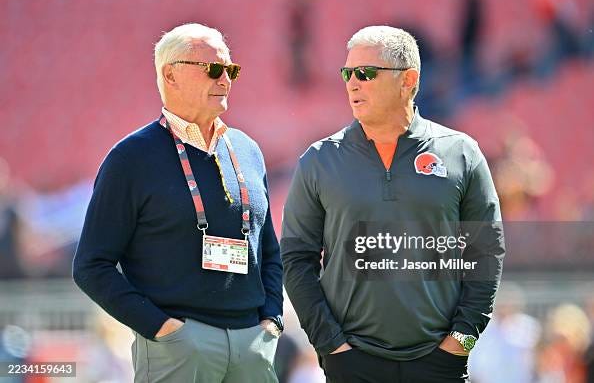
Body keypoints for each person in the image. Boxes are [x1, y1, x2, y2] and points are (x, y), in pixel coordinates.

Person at [281, 25, 505, 383]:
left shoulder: (462, 153)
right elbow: (295, 259)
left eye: (366, 73)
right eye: (347, 73)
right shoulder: (319, 161)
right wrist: (331, 345)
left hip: (440, 364)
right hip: (351, 363)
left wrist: (460, 342)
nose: (352, 83)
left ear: (408, 80)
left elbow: (486, 252)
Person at [73, 23, 283, 383]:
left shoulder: (248, 150)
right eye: (214, 69)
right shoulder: (131, 158)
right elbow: (91, 265)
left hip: (252, 344)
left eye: (230, 70)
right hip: (181, 346)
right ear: (170, 75)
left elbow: (268, 252)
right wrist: (163, 329)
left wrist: (271, 321)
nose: (225, 80)